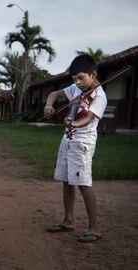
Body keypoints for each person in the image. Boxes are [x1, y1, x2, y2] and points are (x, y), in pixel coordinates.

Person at [43, 54, 107, 242]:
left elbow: (88, 119)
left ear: (93, 74)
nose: (77, 83)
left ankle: (94, 227)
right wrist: (48, 105)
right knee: (66, 180)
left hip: (82, 144)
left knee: (84, 184)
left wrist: (73, 123)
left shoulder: (100, 96)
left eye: (81, 78)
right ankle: (68, 220)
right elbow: (54, 94)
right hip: (68, 140)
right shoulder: (76, 89)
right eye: (74, 79)